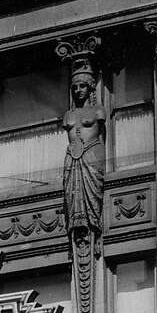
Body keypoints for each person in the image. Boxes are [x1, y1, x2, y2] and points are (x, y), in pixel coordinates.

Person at [62, 67, 106, 249]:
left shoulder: (98, 111)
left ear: (90, 88)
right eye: (75, 87)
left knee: (91, 196)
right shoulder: (68, 115)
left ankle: (92, 226)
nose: (78, 90)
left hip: (91, 154)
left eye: (82, 86)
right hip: (72, 157)